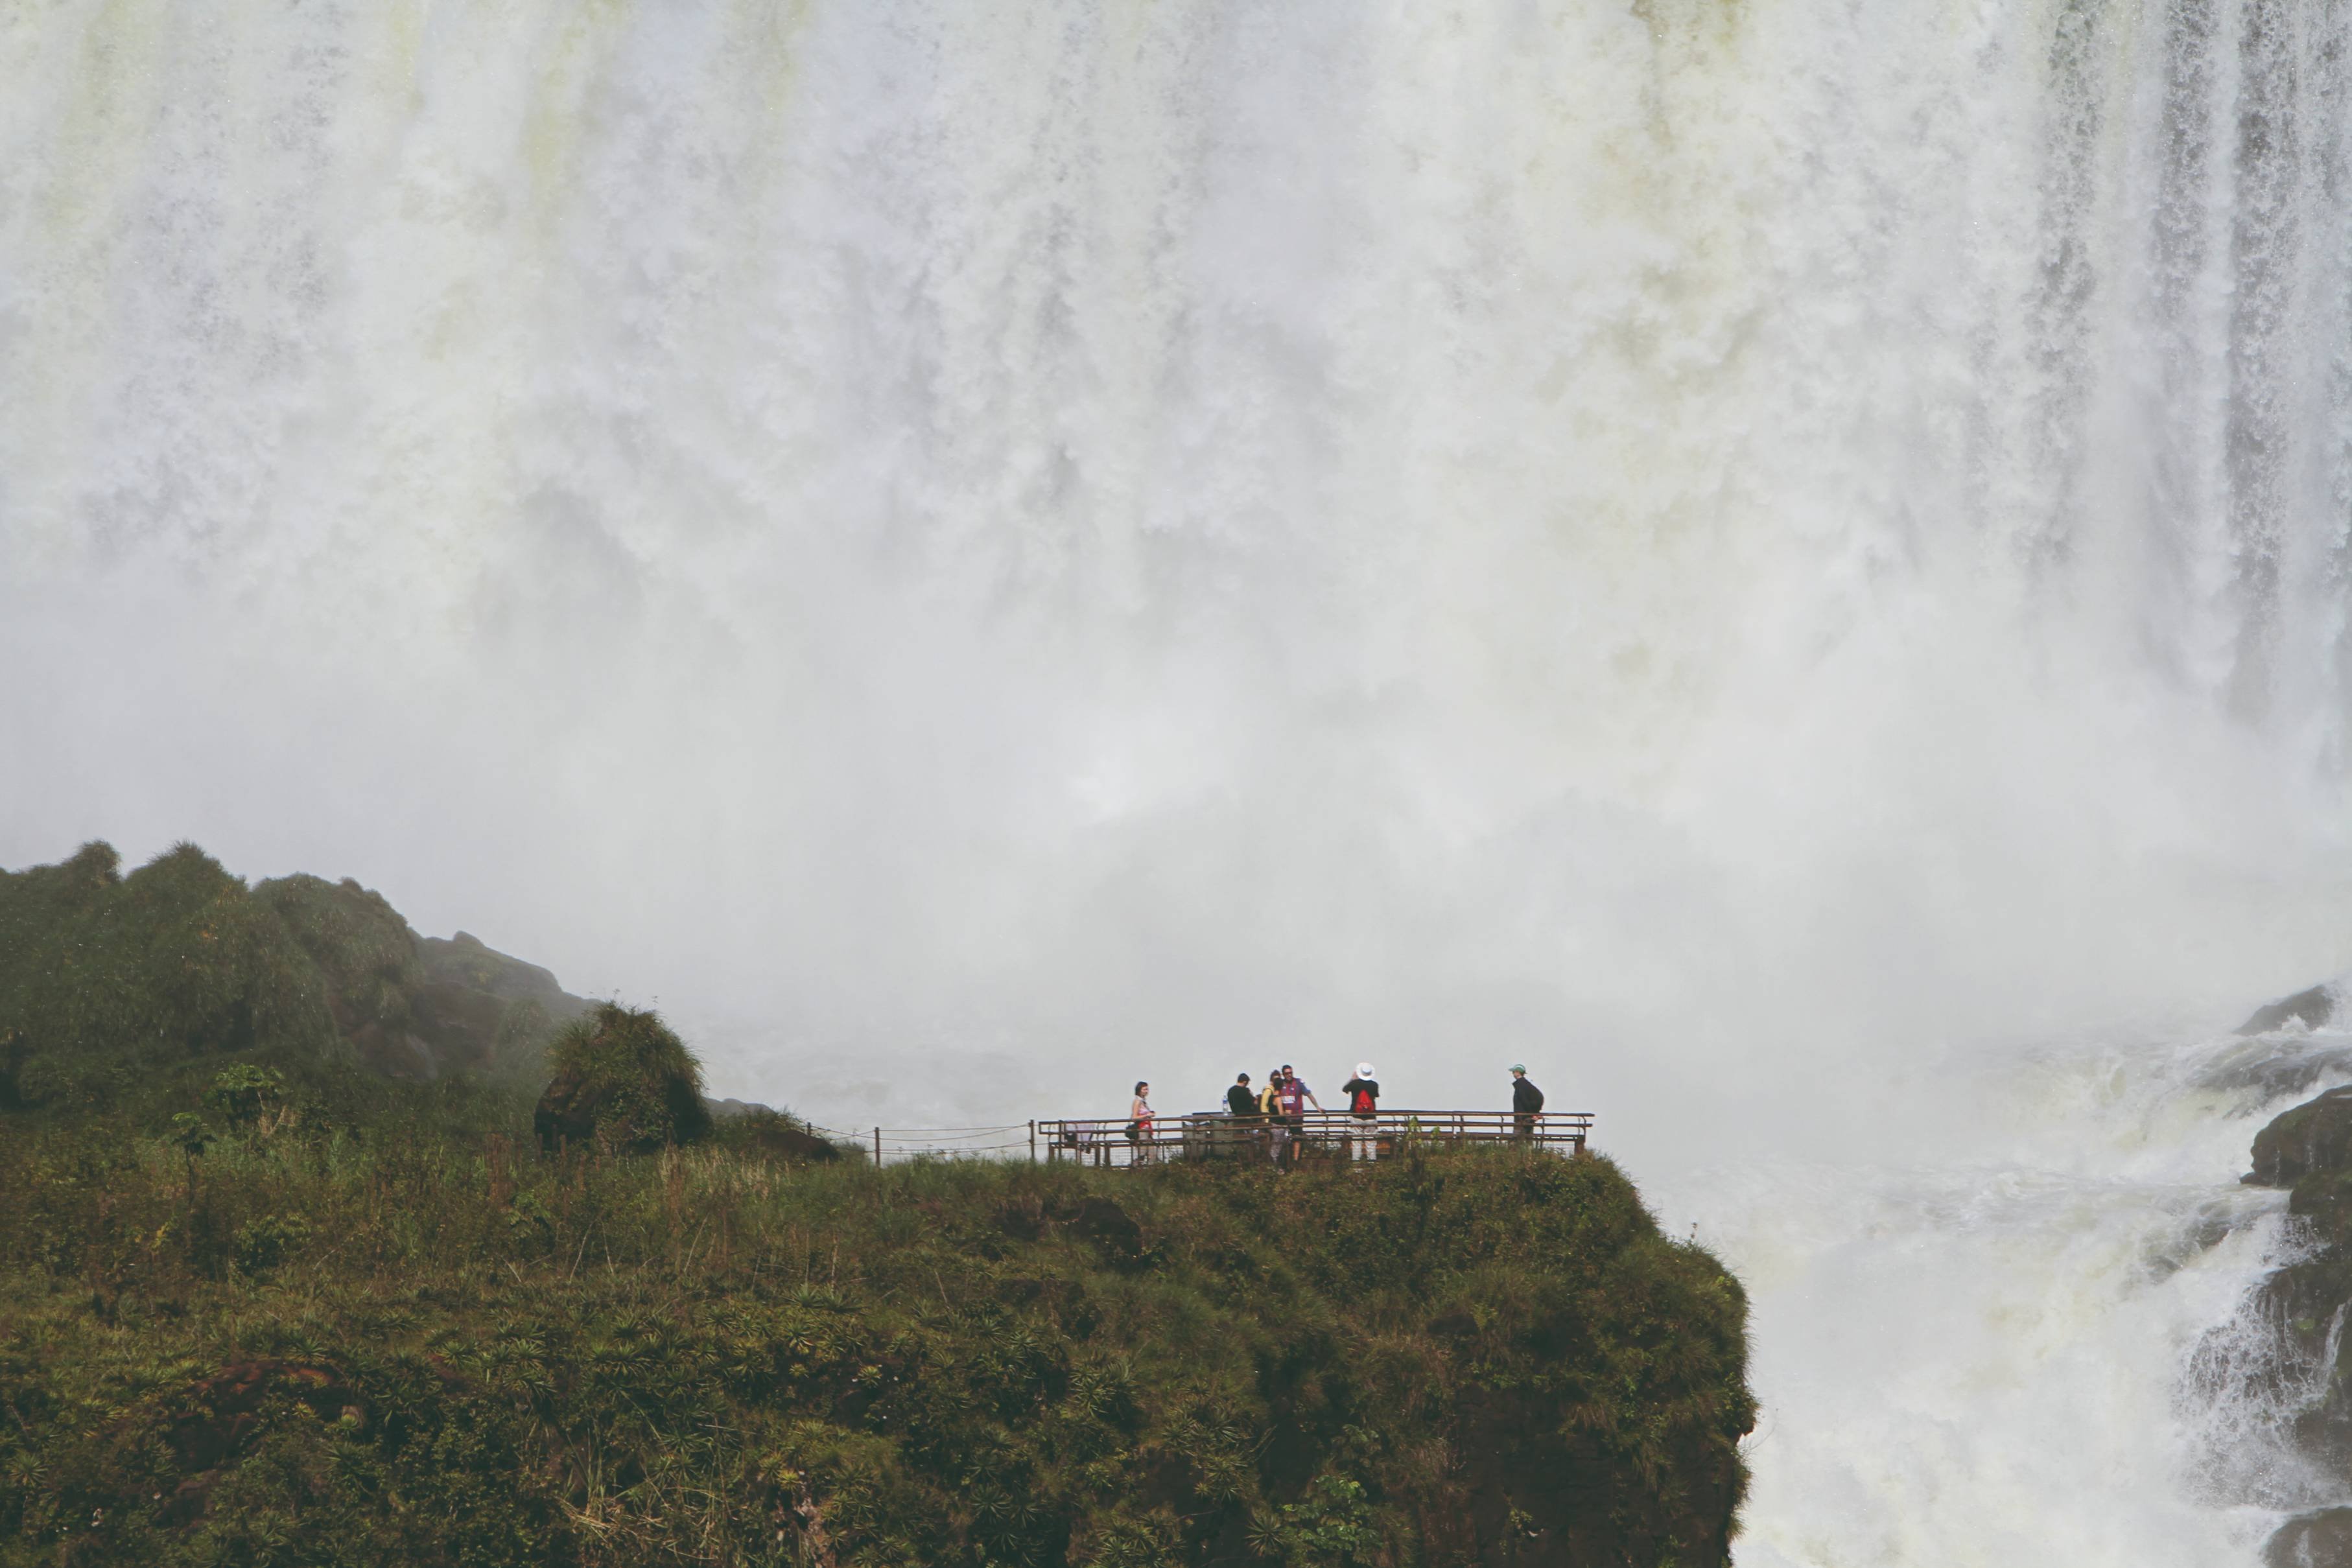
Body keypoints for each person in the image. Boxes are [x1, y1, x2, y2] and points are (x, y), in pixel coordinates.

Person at [1276, 1065, 1321, 1164]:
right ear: (1283, 1074)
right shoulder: (1281, 1084)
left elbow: (1309, 1094)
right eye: (1287, 1073)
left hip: (1297, 1116)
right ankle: (1284, 1159)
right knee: (1283, 1138)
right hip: (1284, 1118)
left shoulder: (1298, 1083)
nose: (1289, 1075)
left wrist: (1317, 1107)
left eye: (1291, 1073)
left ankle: (1295, 1160)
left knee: (1297, 1138)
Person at [1340, 1062, 1380, 1162]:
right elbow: (1376, 1095)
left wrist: (1352, 1079)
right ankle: (1372, 1163)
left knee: (1356, 1142)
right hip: (1371, 1117)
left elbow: (1345, 1089)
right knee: (1371, 1141)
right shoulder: (1374, 1085)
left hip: (1356, 1116)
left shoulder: (1354, 1084)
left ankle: (1356, 1165)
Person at [1260, 1068, 1290, 1166]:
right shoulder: (1278, 1099)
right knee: (1277, 1148)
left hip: (1272, 1123)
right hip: (1279, 1125)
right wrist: (1287, 1113)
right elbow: (1281, 1113)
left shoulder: (1270, 1097)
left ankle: (1273, 1166)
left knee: (1274, 1146)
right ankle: (1275, 1167)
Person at [1226, 1073, 1258, 1161]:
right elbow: (1254, 1103)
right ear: (1245, 1082)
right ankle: (1250, 1158)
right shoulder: (1244, 1091)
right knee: (1249, 1139)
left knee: (1239, 1140)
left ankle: (1239, 1158)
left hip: (1236, 1118)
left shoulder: (1230, 1091)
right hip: (1248, 1119)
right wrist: (1251, 1094)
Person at [1511, 1063, 1545, 1141]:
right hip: (1527, 1116)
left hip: (1522, 1117)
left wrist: (1531, 1114)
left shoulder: (1520, 1085)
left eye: (1514, 1072)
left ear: (1518, 1072)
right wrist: (1535, 1113)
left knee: (1516, 1139)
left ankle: (1517, 1153)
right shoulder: (1526, 1084)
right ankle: (1528, 1153)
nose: (1513, 1074)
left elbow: (1524, 1101)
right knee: (1528, 1138)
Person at [1127, 1081, 1155, 1162]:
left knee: (1152, 1153)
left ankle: (1150, 1171)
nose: (1146, 1091)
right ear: (1139, 1090)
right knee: (1142, 1153)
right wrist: (1147, 1115)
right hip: (1142, 1129)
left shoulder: (1143, 1102)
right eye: (1144, 1089)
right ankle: (1136, 1169)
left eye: (1147, 1089)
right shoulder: (1138, 1102)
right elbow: (1134, 1117)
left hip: (1147, 1129)